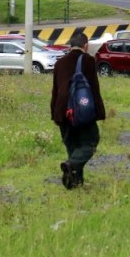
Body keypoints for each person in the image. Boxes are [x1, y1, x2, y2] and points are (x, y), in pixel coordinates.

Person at [50, 32, 106, 189]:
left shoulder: (60, 63)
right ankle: (72, 166)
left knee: (73, 147)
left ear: (70, 45)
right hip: (82, 111)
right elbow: (93, 88)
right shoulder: (88, 60)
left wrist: (55, 114)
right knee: (91, 142)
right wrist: (99, 112)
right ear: (85, 46)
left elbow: (55, 90)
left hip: (63, 112)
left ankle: (73, 183)